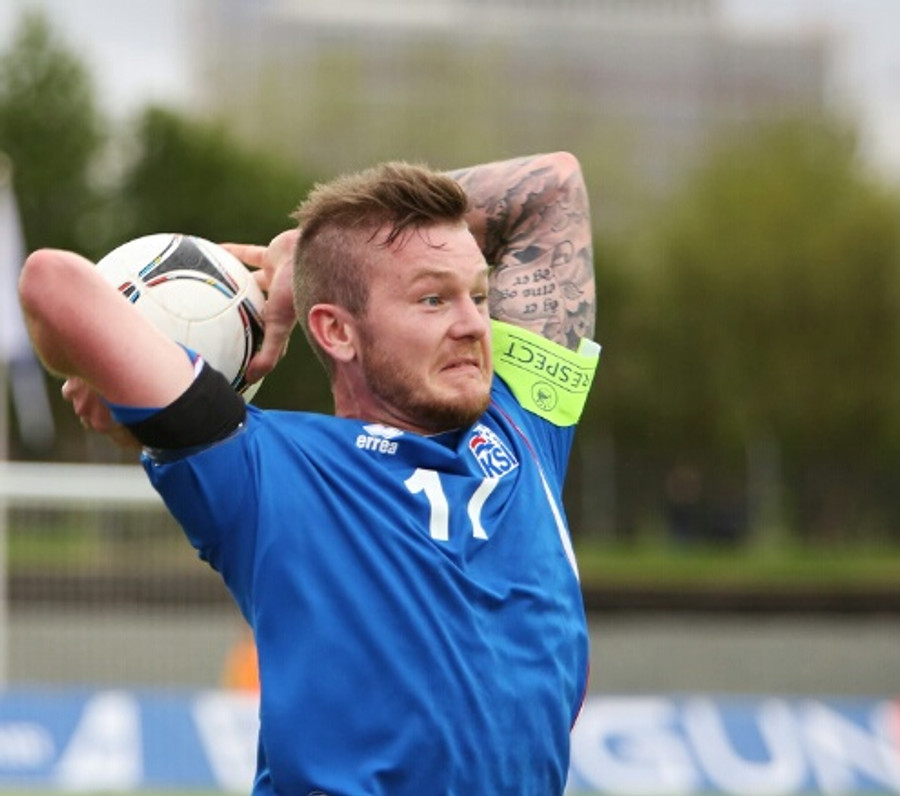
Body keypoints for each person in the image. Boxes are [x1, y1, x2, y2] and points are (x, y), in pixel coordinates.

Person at [19, 152, 599, 795]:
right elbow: (51, 282)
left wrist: (310, 245)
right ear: (336, 331)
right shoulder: (264, 465)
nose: (471, 324)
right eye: (433, 299)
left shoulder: (526, 425)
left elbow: (552, 185)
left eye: (479, 295)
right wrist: (99, 364)